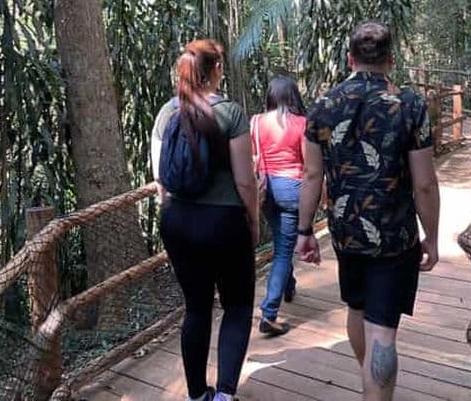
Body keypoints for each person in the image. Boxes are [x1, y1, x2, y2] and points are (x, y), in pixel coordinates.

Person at [295, 21, 441, 401]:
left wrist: (304, 231)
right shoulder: (410, 105)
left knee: (357, 309)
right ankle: (375, 391)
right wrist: (434, 237)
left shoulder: (323, 106)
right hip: (394, 239)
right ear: (391, 59)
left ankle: (370, 385)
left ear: (350, 58)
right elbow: (424, 182)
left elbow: (312, 175)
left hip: (346, 234)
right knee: (382, 332)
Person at [151, 39, 259, 401]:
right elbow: (245, 180)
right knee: (238, 304)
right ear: (215, 71)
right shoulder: (230, 113)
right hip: (225, 223)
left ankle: (197, 395)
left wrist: (175, 214)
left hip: (178, 221)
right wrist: (254, 222)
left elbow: (160, 181)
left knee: (196, 307)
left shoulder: (167, 114)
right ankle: (226, 394)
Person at [250, 76, 307, 336]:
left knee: (282, 242)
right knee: (284, 250)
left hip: (265, 190)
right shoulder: (302, 124)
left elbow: (254, 156)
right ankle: (269, 313)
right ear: (293, 96)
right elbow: (309, 165)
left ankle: (288, 285)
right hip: (291, 190)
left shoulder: (256, 122)